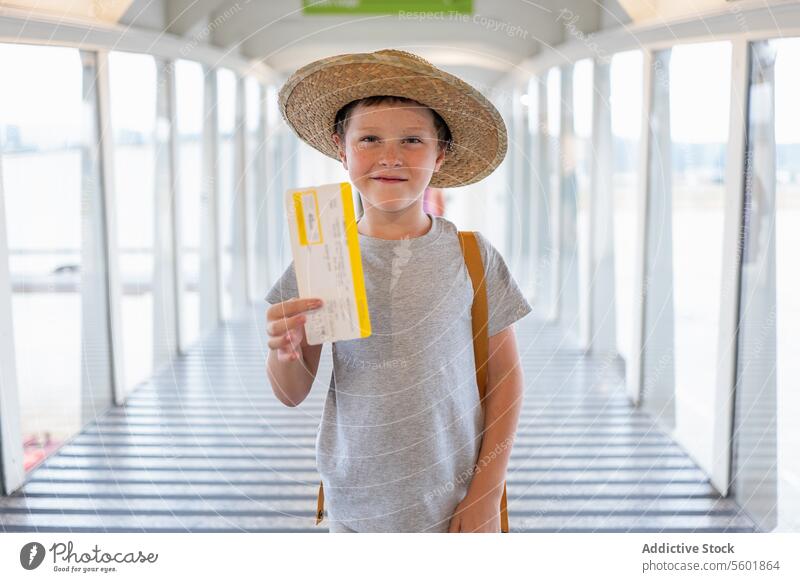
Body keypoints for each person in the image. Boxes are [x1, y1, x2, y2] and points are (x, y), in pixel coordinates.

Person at [264, 49, 532, 533]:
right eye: (369, 139)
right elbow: (292, 392)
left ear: (440, 153)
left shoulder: (473, 256)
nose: (390, 156)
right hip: (352, 507)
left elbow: (506, 383)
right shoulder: (321, 258)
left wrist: (486, 495)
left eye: (412, 139)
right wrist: (285, 353)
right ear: (340, 148)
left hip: (456, 502)